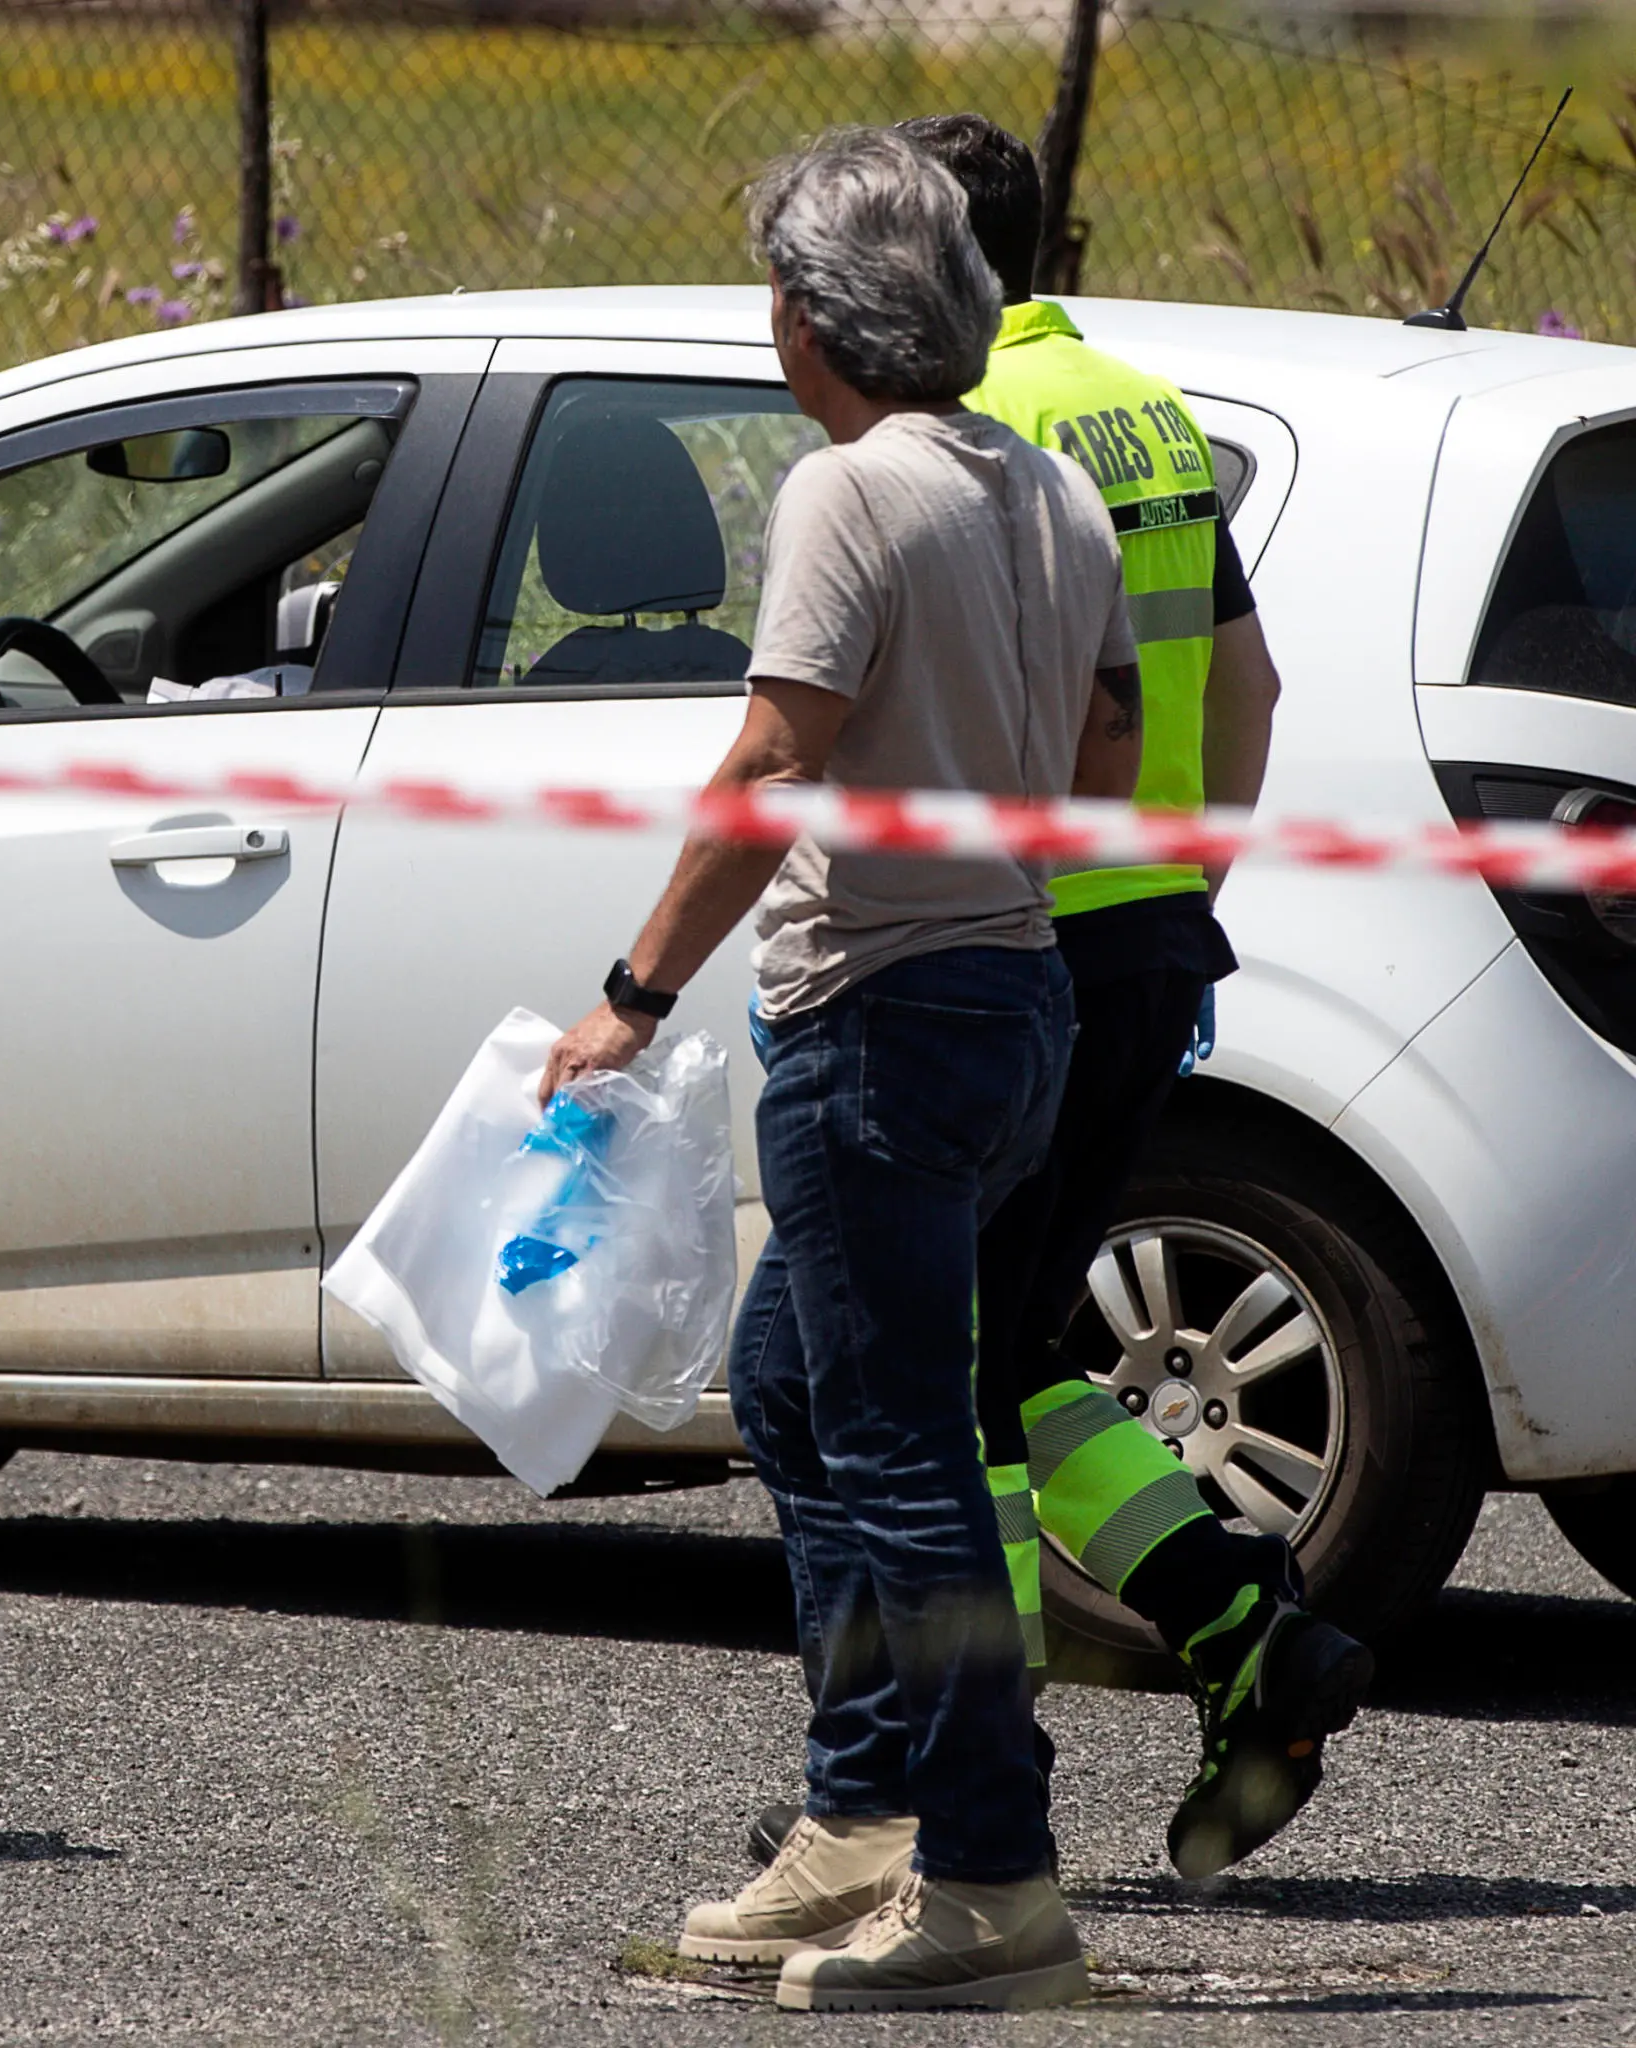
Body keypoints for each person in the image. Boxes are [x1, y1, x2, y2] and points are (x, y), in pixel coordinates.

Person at [542, 128, 1143, 2011]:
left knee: (896, 1451)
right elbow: (1113, 760)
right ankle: (865, 1817)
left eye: (776, 290)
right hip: (1015, 996)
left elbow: (772, 770)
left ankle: (987, 1873)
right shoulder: (1050, 492)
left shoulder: (849, 492)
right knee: (801, 1393)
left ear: (812, 316)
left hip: (880, 1019)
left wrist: (632, 990)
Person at [897, 111, 1368, 1880]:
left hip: (1013, 951)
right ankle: (1250, 1623)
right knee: (1014, 1349)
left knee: (948, 1372)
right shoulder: (1141, 409)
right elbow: (1243, 690)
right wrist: (1186, 887)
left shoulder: (972, 431)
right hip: (1146, 930)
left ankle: (979, 1774)